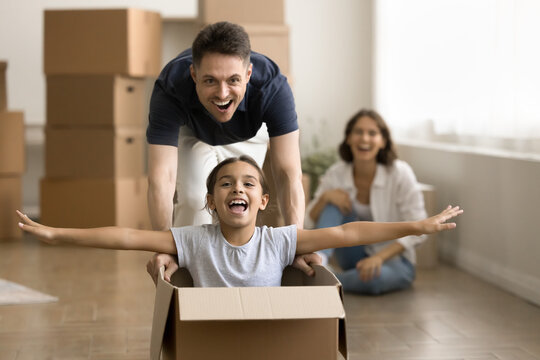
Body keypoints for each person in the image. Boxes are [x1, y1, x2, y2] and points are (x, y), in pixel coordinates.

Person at [17, 156, 462, 287]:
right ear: (210, 202)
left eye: (249, 183)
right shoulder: (193, 239)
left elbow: (348, 232)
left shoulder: (280, 241)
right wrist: (56, 233)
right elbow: (128, 236)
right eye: (226, 184)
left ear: (263, 200)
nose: (238, 190)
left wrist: (416, 226)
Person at [145, 21, 311, 283]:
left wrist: (297, 243)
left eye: (233, 80)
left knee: (243, 203)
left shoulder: (273, 88)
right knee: (191, 199)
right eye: (210, 80)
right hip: (194, 132)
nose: (222, 93)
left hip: (249, 133)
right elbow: (160, 177)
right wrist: (163, 249)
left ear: (248, 74)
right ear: (193, 74)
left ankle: (243, 275)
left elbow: (288, 173)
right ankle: (191, 282)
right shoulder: (170, 87)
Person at [306, 109, 430, 295]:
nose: (364, 139)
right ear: (348, 138)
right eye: (358, 132)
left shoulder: (400, 173)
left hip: (393, 260)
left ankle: (326, 280)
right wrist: (324, 198)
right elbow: (308, 221)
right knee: (332, 201)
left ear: (383, 141)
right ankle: (320, 262)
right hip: (352, 255)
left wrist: (379, 257)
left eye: (372, 133)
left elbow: (420, 229)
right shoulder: (336, 173)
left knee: (374, 281)